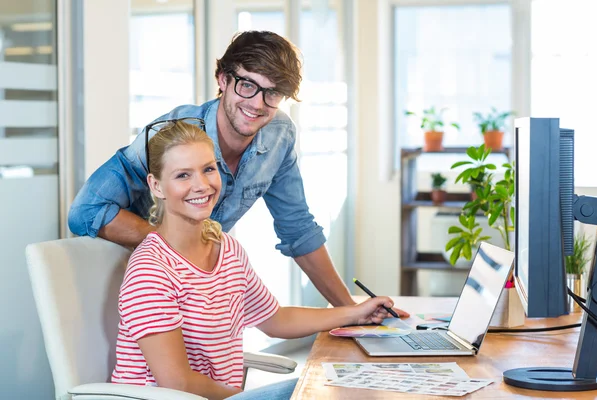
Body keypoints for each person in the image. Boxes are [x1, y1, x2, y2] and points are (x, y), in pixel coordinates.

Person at [68, 30, 408, 316]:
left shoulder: (279, 135)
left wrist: (351, 311)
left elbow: (299, 230)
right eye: (247, 85)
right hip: (145, 286)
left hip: (203, 288)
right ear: (223, 79)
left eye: (273, 92)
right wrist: (180, 246)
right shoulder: (174, 135)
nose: (258, 104)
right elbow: (86, 211)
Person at [111, 120, 396, 399]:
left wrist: (357, 312)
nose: (201, 185)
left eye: (208, 169)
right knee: (320, 390)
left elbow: (275, 318)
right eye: (183, 175)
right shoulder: (151, 270)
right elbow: (178, 382)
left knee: (338, 385)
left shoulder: (227, 249)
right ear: (156, 186)